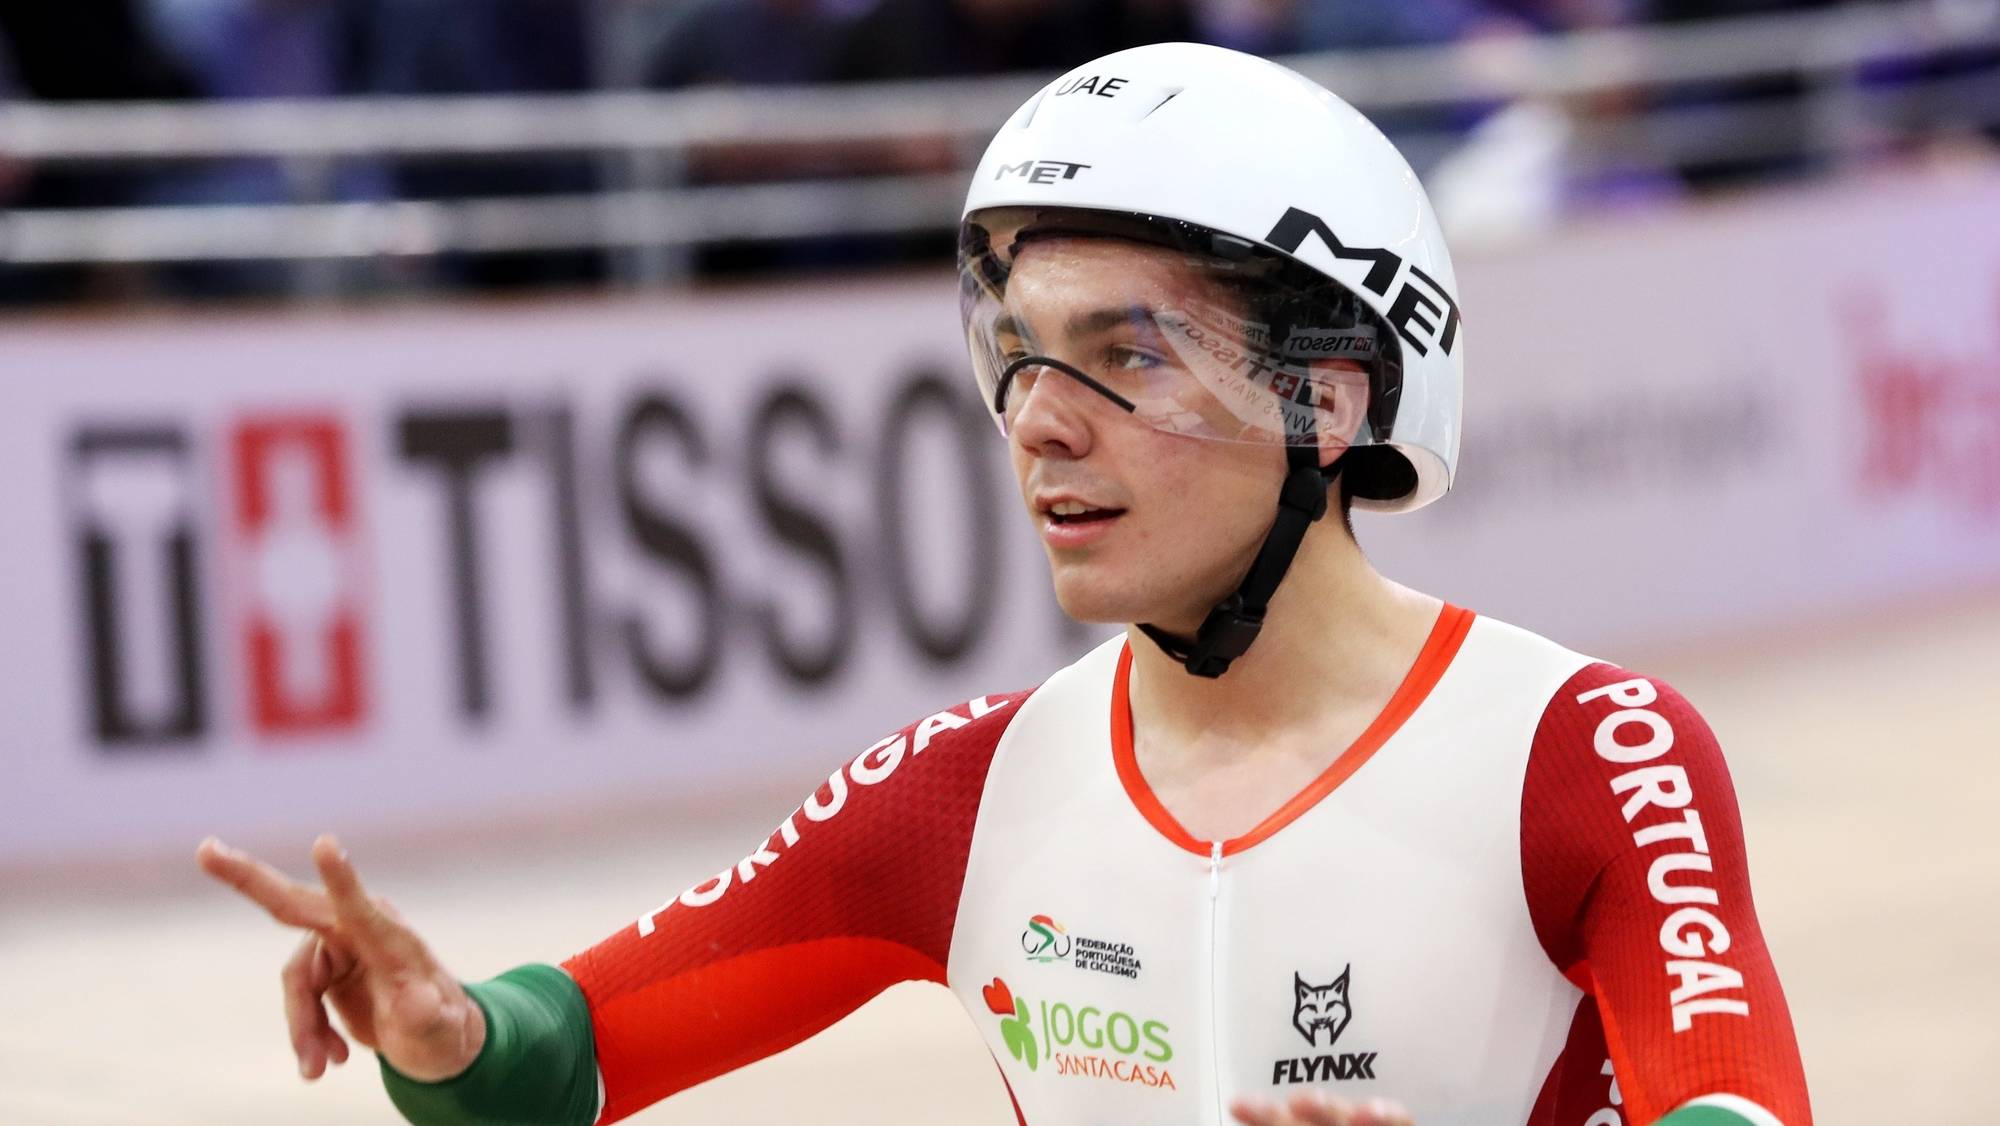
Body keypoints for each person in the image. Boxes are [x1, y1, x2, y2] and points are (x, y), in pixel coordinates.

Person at [199, 42, 1812, 1126]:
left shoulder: (1588, 749)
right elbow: (576, 1053)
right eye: (1018, 353)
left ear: (1328, 395)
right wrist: (446, 1029)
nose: (1039, 419)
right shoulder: (965, 792)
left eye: (1125, 352)